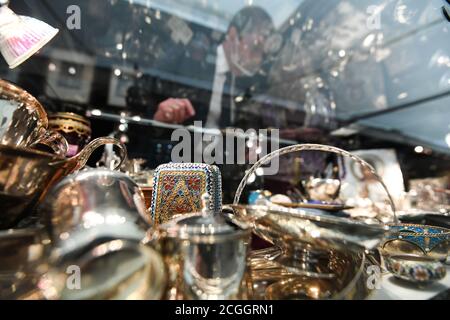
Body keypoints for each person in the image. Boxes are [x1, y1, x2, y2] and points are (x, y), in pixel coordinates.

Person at [148, 6, 274, 129]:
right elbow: (145, 106)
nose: (257, 60)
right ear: (232, 34)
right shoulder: (185, 60)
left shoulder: (241, 83)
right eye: (255, 49)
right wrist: (158, 119)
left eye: (262, 55)